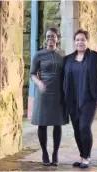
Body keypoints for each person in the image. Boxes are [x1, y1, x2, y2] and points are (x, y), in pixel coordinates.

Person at [63, 29, 97, 168]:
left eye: (83, 39)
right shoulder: (67, 59)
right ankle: (82, 156)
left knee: (84, 127)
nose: (80, 42)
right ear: (75, 42)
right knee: (76, 129)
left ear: (87, 41)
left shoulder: (96, 57)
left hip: (89, 98)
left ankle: (87, 158)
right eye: (77, 40)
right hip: (72, 99)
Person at [30, 28, 68, 166]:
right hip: (43, 93)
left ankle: (55, 154)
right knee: (43, 123)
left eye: (53, 36)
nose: (50, 39)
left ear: (57, 38)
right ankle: (45, 152)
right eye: (48, 36)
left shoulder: (63, 55)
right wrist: (39, 83)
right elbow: (33, 74)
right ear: (45, 39)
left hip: (58, 93)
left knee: (57, 124)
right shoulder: (38, 55)